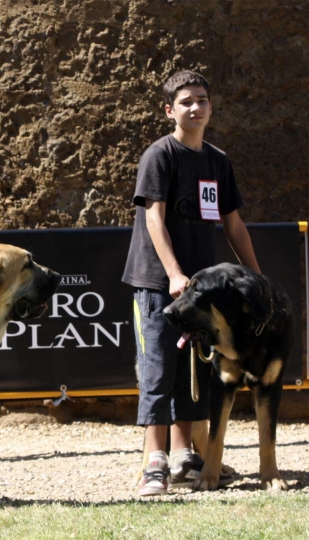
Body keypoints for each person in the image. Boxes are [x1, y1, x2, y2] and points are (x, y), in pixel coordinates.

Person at [122, 70, 260, 496]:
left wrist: (255, 279)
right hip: (157, 283)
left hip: (201, 290)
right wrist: (175, 273)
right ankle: (154, 466)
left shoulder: (218, 161)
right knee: (158, 371)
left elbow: (233, 224)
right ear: (170, 110)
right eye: (186, 102)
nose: (195, 107)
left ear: (211, 107)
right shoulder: (159, 156)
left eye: (202, 99)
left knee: (196, 371)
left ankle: (183, 457)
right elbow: (153, 218)